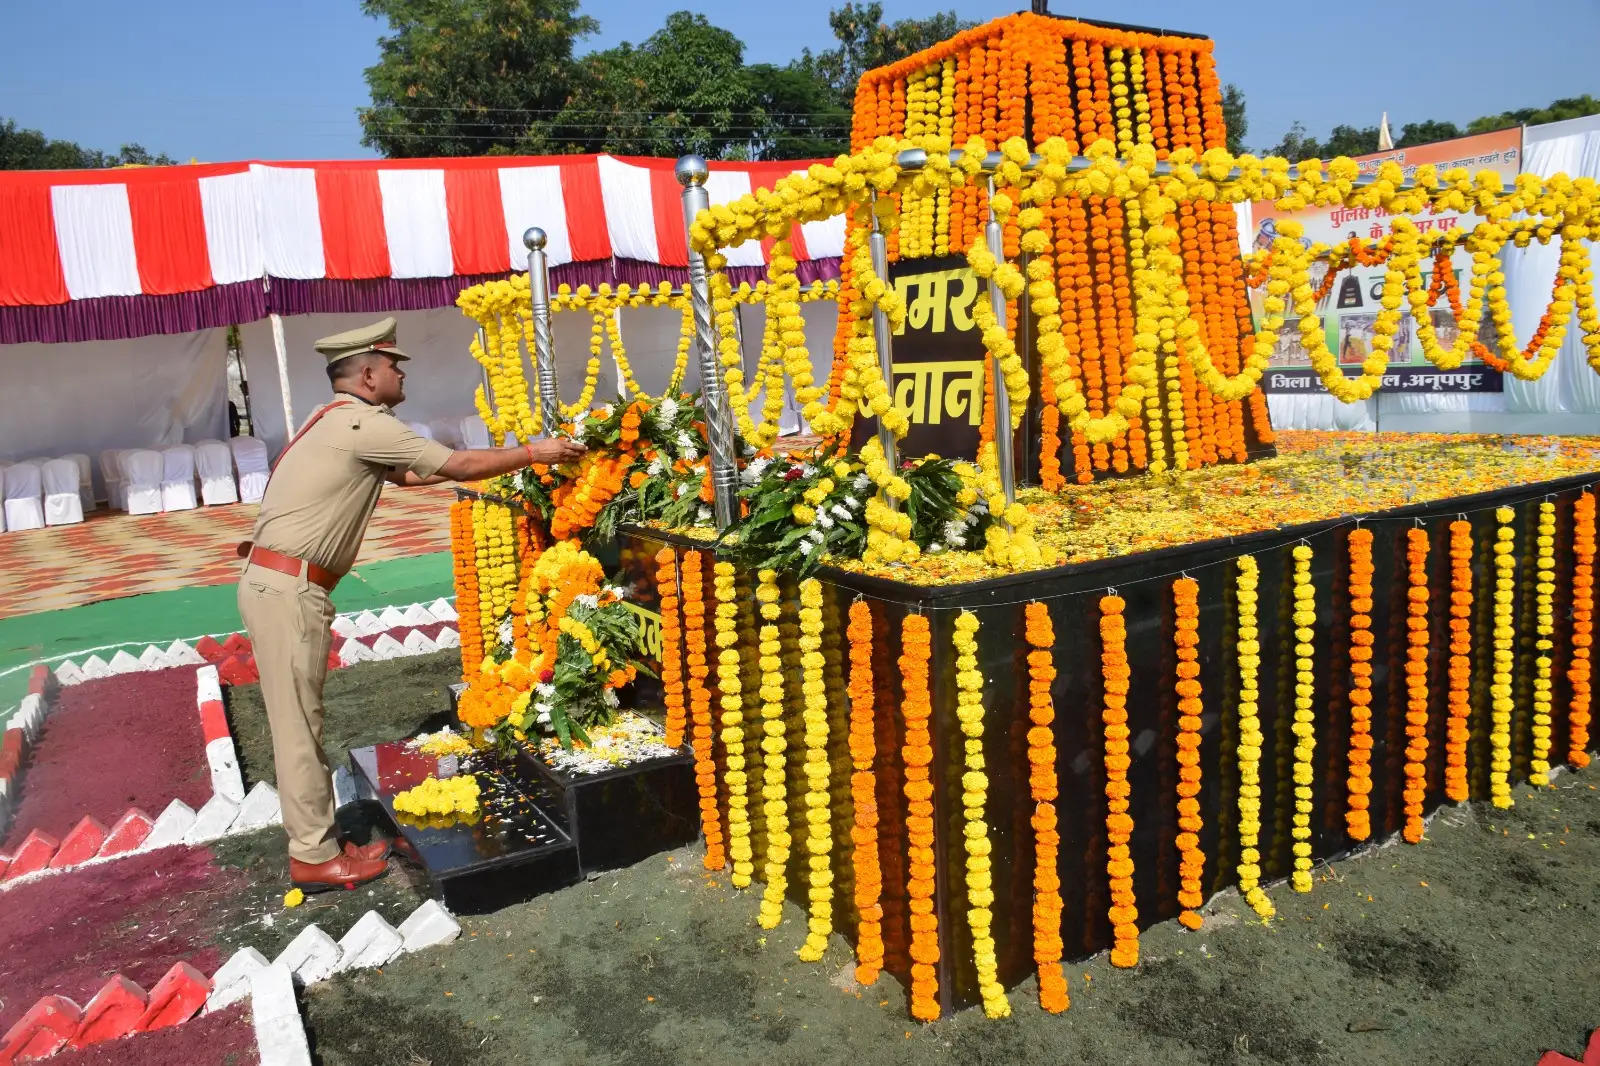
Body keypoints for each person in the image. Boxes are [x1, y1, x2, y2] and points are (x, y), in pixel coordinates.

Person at [236, 317, 584, 892]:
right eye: (394, 365)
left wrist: (500, 464)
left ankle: (317, 840)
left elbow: (406, 476)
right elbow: (455, 465)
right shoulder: (362, 423)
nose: (400, 373)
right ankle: (313, 856)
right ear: (368, 374)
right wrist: (534, 453)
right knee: (298, 727)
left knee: (302, 718)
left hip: (281, 583)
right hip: (287, 589)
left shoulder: (342, 422)